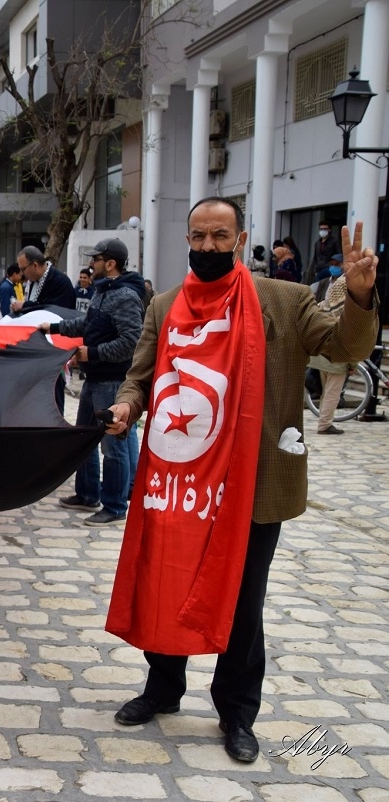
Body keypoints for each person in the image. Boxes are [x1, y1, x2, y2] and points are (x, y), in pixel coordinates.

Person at [103, 198, 378, 764]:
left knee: (245, 602)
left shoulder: (283, 298)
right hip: (181, 481)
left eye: (219, 236)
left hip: (252, 485)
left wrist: (357, 295)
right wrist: (128, 407)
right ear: (187, 237)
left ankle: (237, 711)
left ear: (240, 237)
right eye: (198, 236)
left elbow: (346, 348)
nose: (207, 247)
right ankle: (163, 689)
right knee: (166, 584)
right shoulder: (164, 304)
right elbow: (141, 376)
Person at [41, 238, 144, 527]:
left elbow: (131, 342)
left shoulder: (124, 296)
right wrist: (55, 327)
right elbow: (88, 325)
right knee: (83, 435)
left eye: (96, 259)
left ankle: (114, 505)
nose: (91, 264)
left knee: (113, 446)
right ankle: (87, 494)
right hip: (95, 376)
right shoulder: (103, 291)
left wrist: (93, 352)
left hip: (112, 381)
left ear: (110, 263)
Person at [310, 263, 353, 435]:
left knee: (326, 391)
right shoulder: (346, 315)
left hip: (323, 355)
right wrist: (353, 364)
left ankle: (324, 419)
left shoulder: (325, 306)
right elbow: (352, 341)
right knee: (333, 393)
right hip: (337, 357)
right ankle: (325, 424)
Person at [12, 246, 76, 313]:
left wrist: (24, 305)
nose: (22, 273)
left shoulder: (61, 282)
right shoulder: (33, 280)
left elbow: (53, 311)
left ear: (35, 265)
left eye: (23, 269)